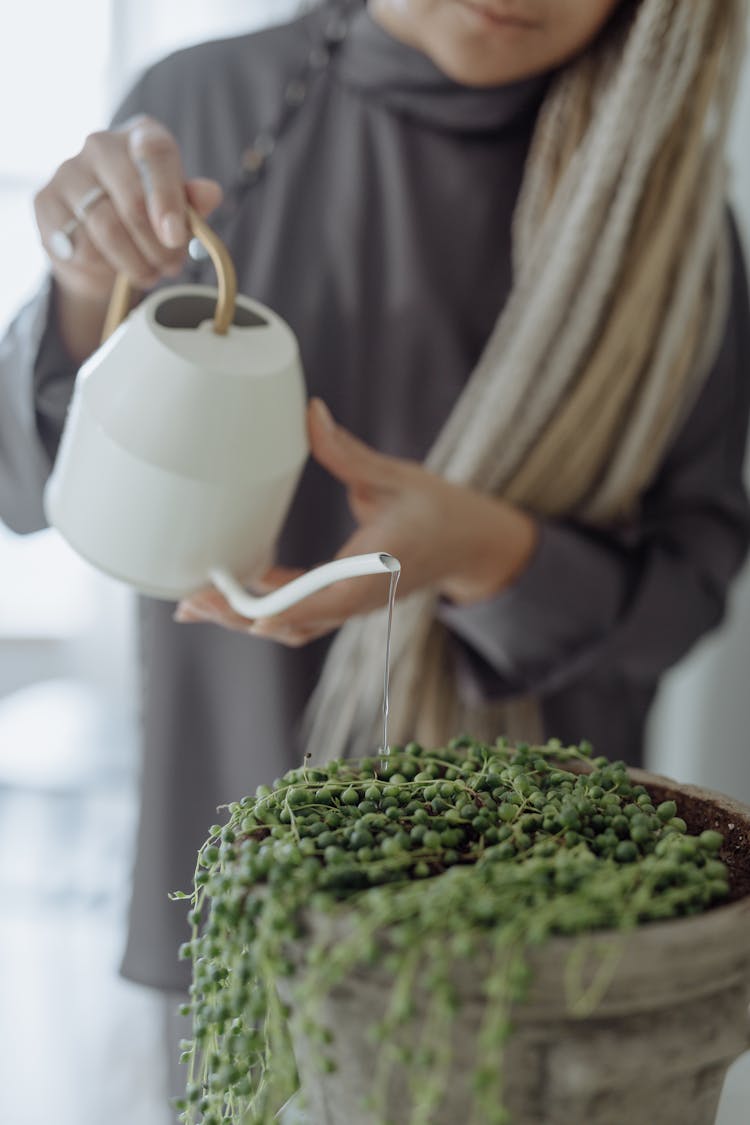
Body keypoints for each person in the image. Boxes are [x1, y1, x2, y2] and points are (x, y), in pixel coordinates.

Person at [1, 0, 749, 1110]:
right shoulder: (203, 113)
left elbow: (687, 587)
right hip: (242, 828)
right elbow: (32, 487)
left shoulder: (669, 227)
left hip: (539, 915)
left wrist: (489, 555)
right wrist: (78, 288)